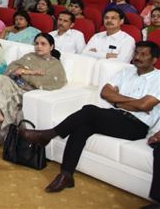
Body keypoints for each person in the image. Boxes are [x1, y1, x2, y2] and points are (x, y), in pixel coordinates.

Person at [20, 42, 160, 193]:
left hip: (136, 126)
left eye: (143, 54)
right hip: (116, 115)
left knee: (89, 111)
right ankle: (66, 175)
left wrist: (118, 100)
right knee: (82, 127)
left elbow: (145, 105)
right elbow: (105, 93)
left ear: (154, 60)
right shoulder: (126, 71)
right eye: (136, 53)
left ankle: (48, 135)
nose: (138, 57)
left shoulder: (157, 78)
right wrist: (129, 103)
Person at [0, 32, 67, 150]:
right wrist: (22, 72)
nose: (39, 46)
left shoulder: (55, 64)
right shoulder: (29, 56)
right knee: (0, 79)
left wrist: (26, 72)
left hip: (28, 93)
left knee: (1, 98)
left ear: (51, 47)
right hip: (14, 84)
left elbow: (57, 81)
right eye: (36, 43)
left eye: (43, 44)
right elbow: (12, 68)